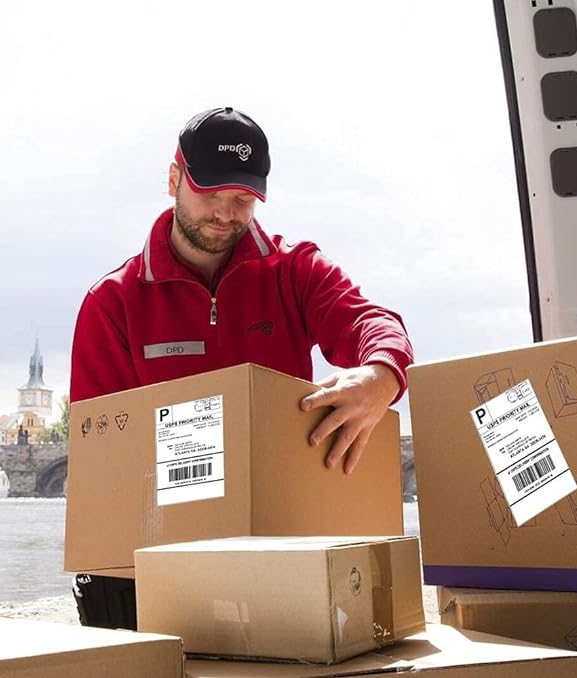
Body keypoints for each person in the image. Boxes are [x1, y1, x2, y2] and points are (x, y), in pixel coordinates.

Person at [70, 107, 414, 629]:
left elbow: (374, 322)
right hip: (160, 557)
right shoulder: (112, 303)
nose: (225, 214)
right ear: (174, 179)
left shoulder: (295, 270)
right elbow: (101, 460)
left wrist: (381, 375)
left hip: (279, 542)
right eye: (210, 193)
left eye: (243, 200)